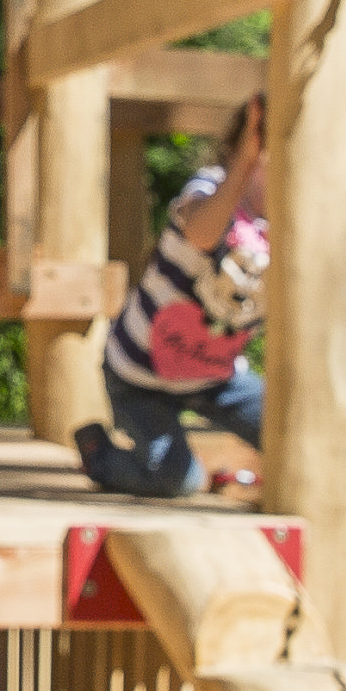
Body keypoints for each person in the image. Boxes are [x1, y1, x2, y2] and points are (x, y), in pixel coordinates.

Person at [74, 94, 270, 500]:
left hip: (218, 378)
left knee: (298, 436)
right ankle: (100, 454)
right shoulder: (210, 188)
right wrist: (244, 166)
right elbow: (200, 233)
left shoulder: (294, 226)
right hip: (140, 375)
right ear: (239, 151)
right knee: (177, 480)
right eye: (269, 160)